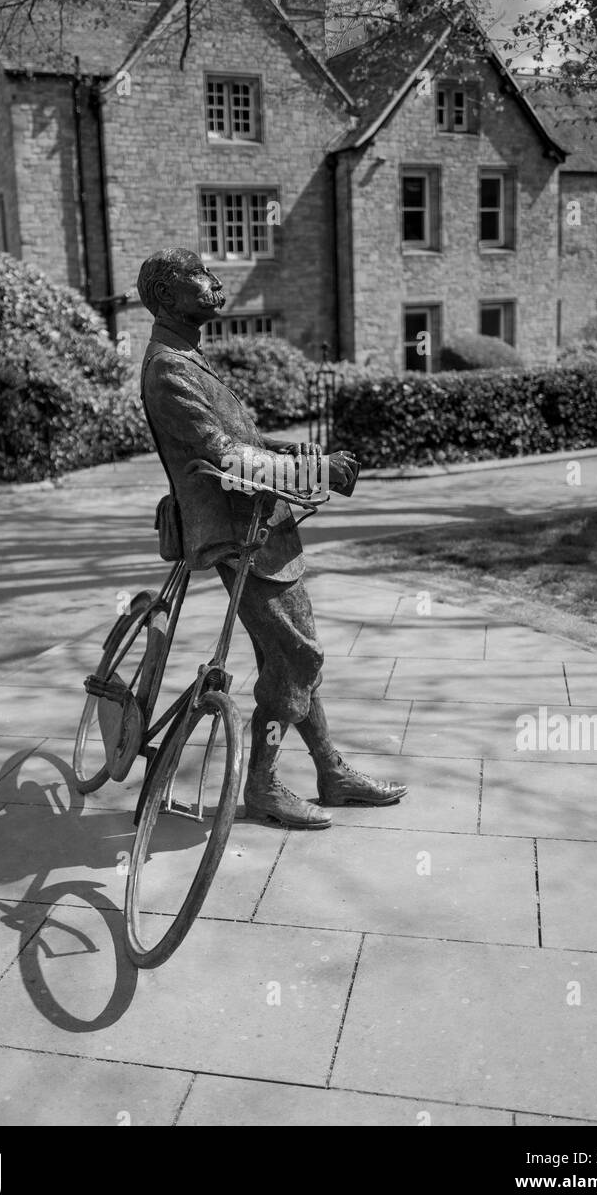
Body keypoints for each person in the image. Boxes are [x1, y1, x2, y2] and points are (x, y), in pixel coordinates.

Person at [137, 247, 407, 829]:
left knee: (291, 656)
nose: (215, 284)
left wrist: (289, 451)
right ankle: (261, 784)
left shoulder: (188, 357)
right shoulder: (168, 369)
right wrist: (318, 472)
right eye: (199, 279)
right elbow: (226, 456)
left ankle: (330, 770)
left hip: (260, 524)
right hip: (237, 534)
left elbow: (243, 440)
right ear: (165, 298)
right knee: (296, 657)